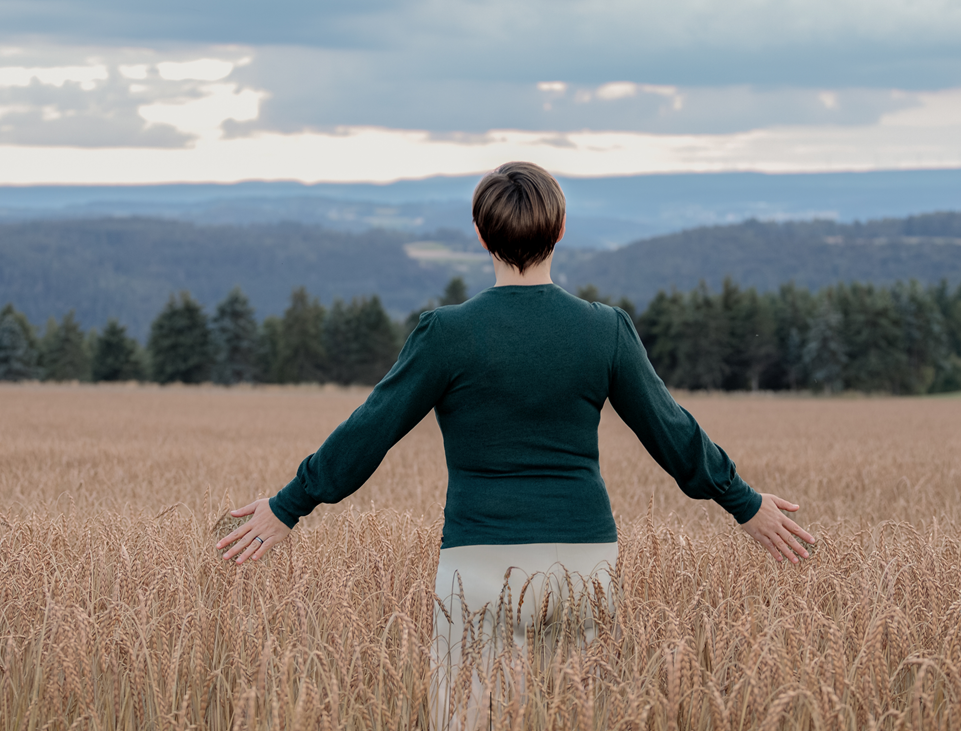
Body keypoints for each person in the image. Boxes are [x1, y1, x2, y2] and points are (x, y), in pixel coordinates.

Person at [216, 161, 816, 728]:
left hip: (479, 563)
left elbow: (368, 431)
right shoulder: (606, 330)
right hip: (583, 563)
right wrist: (744, 502)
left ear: (481, 236)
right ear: (559, 231)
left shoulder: (445, 334)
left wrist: (288, 505)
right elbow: (672, 433)